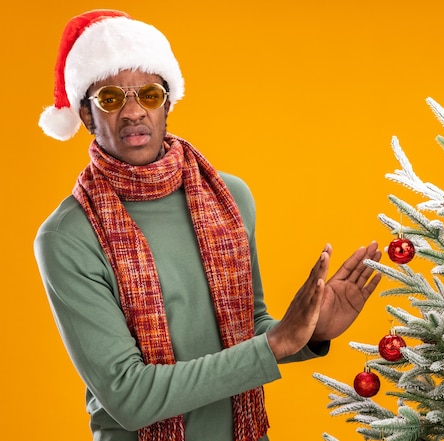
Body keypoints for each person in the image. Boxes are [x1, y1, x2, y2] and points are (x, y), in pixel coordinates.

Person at [34, 9, 382, 441]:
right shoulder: (69, 235)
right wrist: (275, 346)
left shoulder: (227, 197)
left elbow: (245, 332)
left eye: (148, 93)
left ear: (168, 101)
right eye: (109, 98)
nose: (132, 112)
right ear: (86, 115)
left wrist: (309, 332)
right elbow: (128, 395)